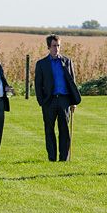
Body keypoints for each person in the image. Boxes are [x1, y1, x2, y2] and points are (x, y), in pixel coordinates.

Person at [33, 34, 81, 162]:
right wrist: (41, 101)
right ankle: (52, 157)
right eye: (54, 46)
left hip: (64, 100)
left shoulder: (67, 61)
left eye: (58, 46)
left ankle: (63, 157)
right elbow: (38, 85)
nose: (56, 48)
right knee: (49, 130)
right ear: (48, 47)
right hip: (49, 101)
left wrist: (73, 101)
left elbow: (72, 82)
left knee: (64, 130)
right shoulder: (41, 64)